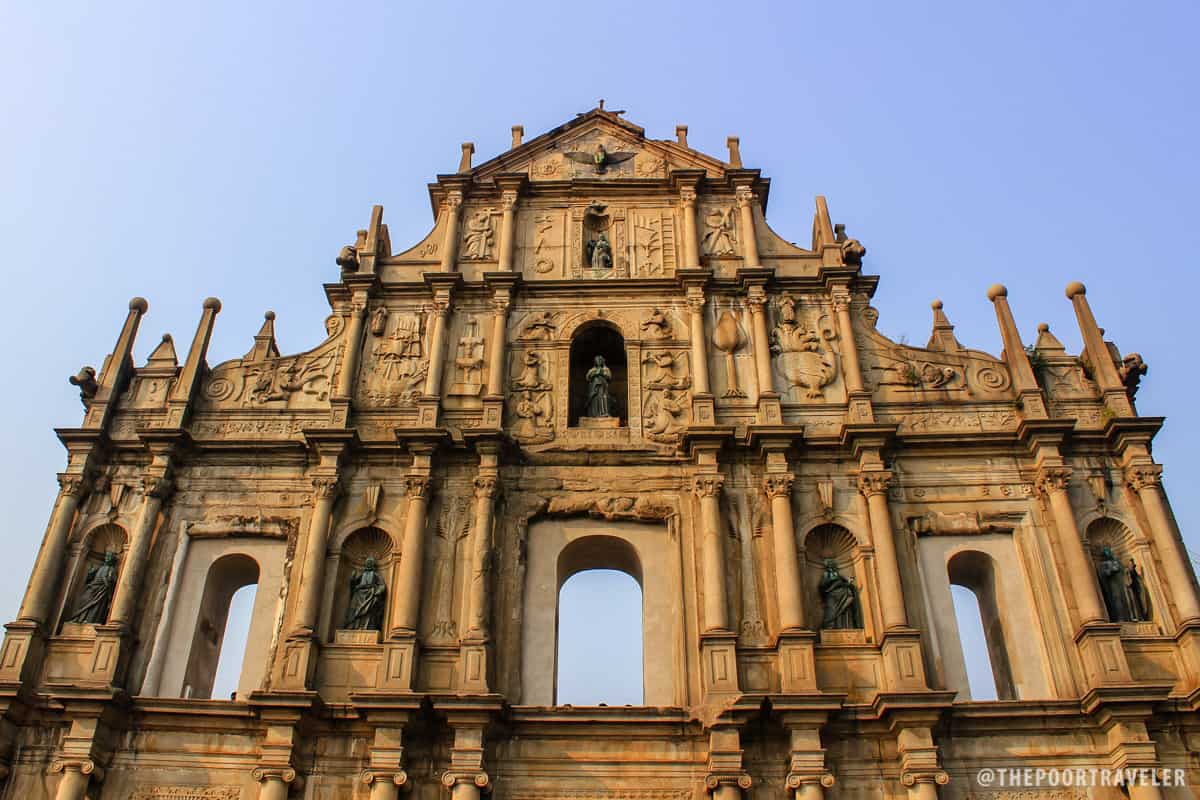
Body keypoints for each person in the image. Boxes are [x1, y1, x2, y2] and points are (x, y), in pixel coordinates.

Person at [68, 551, 119, 624]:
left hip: (101, 590)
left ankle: (89, 621)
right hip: (93, 587)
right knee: (84, 601)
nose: (107, 558)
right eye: (106, 556)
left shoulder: (112, 569)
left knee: (95, 606)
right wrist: (90, 572)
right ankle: (79, 618)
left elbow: (113, 581)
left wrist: (108, 582)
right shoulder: (100, 567)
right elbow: (89, 578)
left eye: (109, 556)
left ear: (113, 559)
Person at [343, 557, 387, 630]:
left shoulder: (375, 575)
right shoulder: (362, 574)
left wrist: (378, 591)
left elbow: (382, 585)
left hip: (370, 594)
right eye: (368, 562)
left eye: (370, 563)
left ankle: (367, 626)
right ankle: (355, 626)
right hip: (359, 594)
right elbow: (354, 583)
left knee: (369, 611)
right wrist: (352, 579)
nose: (369, 564)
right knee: (355, 609)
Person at [819, 558, 861, 629]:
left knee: (844, 608)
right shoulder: (826, 574)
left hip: (843, 594)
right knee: (831, 611)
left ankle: (844, 626)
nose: (833, 565)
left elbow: (844, 582)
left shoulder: (837, 574)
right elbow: (822, 584)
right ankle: (830, 626)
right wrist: (833, 579)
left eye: (833, 564)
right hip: (832, 595)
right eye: (831, 564)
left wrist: (848, 582)